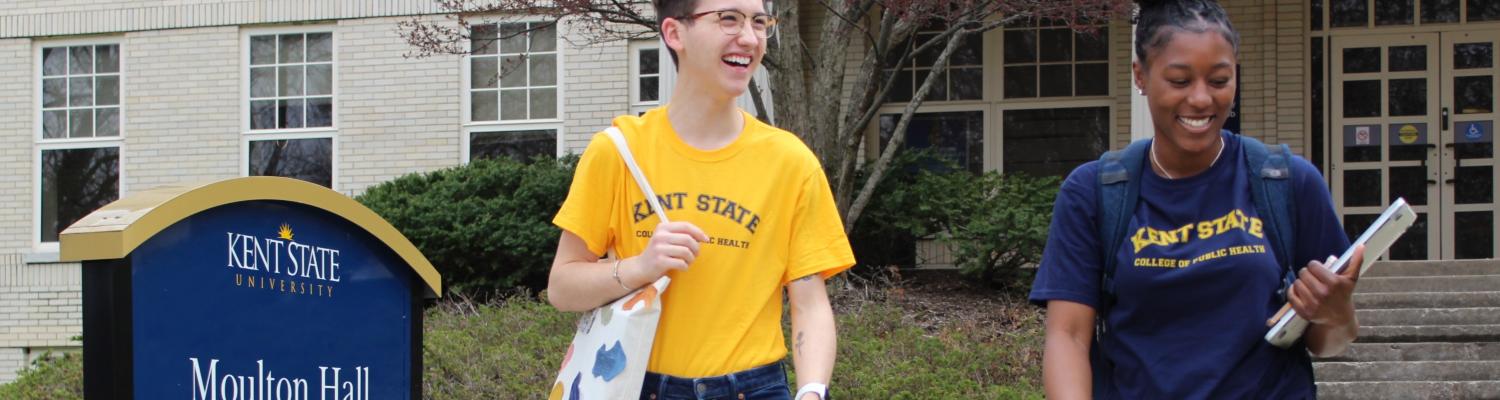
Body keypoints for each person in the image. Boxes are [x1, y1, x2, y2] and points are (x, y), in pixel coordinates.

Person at [1028, 0, 1366, 398]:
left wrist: (1337, 314)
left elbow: (1328, 342)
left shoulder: (1288, 182)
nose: (1202, 99)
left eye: (1219, 80)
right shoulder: (1094, 192)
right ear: (1141, 75)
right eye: (1180, 80)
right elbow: (1067, 337)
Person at [546, 0, 854, 399]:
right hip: (639, 385)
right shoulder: (619, 151)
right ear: (675, 33)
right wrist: (642, 266)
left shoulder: (791, 162)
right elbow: (562, 287)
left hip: (755, 388)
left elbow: (810, 304)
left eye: (759, 22)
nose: (749, 36)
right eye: (729, 18)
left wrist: (812, 390)